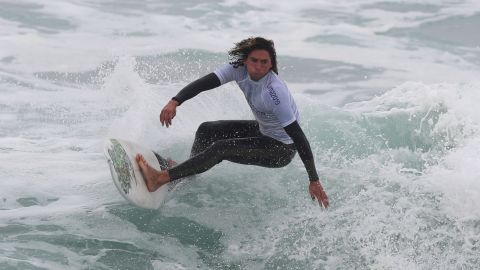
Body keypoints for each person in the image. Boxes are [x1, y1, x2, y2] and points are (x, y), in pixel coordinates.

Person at [136, 37, 329, 208]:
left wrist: (314, 180)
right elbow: (205, 83)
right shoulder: (238, 70)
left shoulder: (274, 92)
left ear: (271, 64)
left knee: (221, 148)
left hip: (280, 149)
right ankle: (185, 173)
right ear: (245, 60)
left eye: (264, 62)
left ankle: (160, 178)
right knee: (207, 130)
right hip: (264, 131)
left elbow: (298, 136)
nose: (259, 66)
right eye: (254, 60)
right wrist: (175, 101)